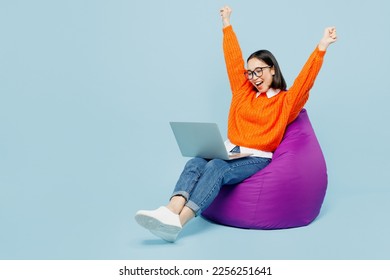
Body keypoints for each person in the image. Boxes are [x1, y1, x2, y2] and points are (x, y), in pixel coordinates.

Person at [135, 6, 337, 242]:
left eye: (259, 70)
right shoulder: (243, 93)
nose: (254, 77)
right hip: (232, 151)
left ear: (272, 69)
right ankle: (169, 212)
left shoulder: (285, 101)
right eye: (250, 73)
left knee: (216, 167)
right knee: (196, 161)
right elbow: (233, 60)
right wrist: (226, 24)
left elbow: (305, 81)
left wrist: (321, 47)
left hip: (257, 158)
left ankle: (179, 224)